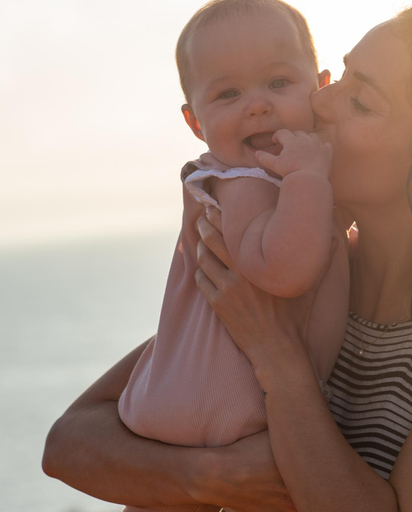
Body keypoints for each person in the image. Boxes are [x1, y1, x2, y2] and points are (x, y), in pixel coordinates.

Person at [43, 2, 412, 511]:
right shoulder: (303, 273)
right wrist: (219, 478)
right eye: (337, 77)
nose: (321, 105)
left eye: (362, 103)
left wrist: (278, 362)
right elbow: (71, 442)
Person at [117, 1, 348, 510]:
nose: (258, 105)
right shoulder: (241, 184)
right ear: (195, 122)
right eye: (228, 93)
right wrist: (311, 179)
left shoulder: (272, 180)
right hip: (221, 406)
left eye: (279, 83)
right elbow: (282, 271)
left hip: (206, 404)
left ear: (322, 86)